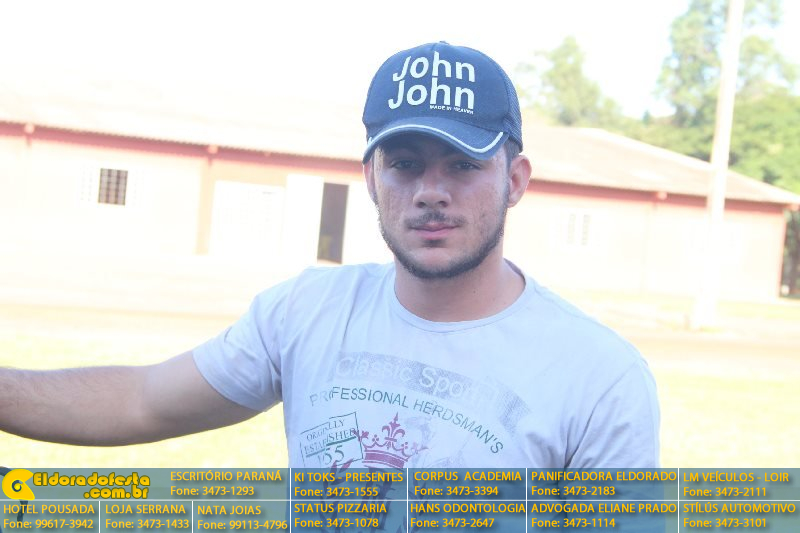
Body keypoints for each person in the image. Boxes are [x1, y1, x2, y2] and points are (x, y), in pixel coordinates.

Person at [0, 42, 659, 468]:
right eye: (404, 163)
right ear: (371, 178)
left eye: (462, 164)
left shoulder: (600, 376)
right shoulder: (307, 312)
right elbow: (142, 400)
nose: (430, 191)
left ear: (514, 180)